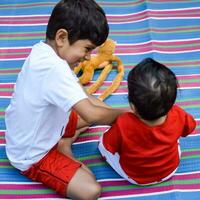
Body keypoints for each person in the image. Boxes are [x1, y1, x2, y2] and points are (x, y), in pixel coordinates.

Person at [5, 0, 124, 199]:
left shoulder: (45, 51)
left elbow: (85, 97)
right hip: (33, 154)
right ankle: (63, 145)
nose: (87, 58)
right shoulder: (54, 69)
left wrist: (111, 114)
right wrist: (132, 114)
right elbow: (91, 112)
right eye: (87, 49)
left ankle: (64, 141)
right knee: (91, 190)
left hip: (48, 123)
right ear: (61, 37)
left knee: (100, 108)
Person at [98, 58, 196, 186]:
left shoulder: (124, 123)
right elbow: (190, 128)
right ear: (171, 101)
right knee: (174, 136)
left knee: (101, 144)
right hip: (170, 169)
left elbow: (107, 145)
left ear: (132, 106)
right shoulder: (178, 114)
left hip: (136, 177)